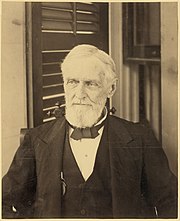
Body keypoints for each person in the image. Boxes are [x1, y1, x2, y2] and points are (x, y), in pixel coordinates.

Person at [2, 44, 177, 219]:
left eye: (90, 84)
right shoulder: (36, 140)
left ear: (111, 89)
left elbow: (171, 203)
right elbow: (4, 204)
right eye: (72, 82)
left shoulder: (140, 139)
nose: (79, 94)